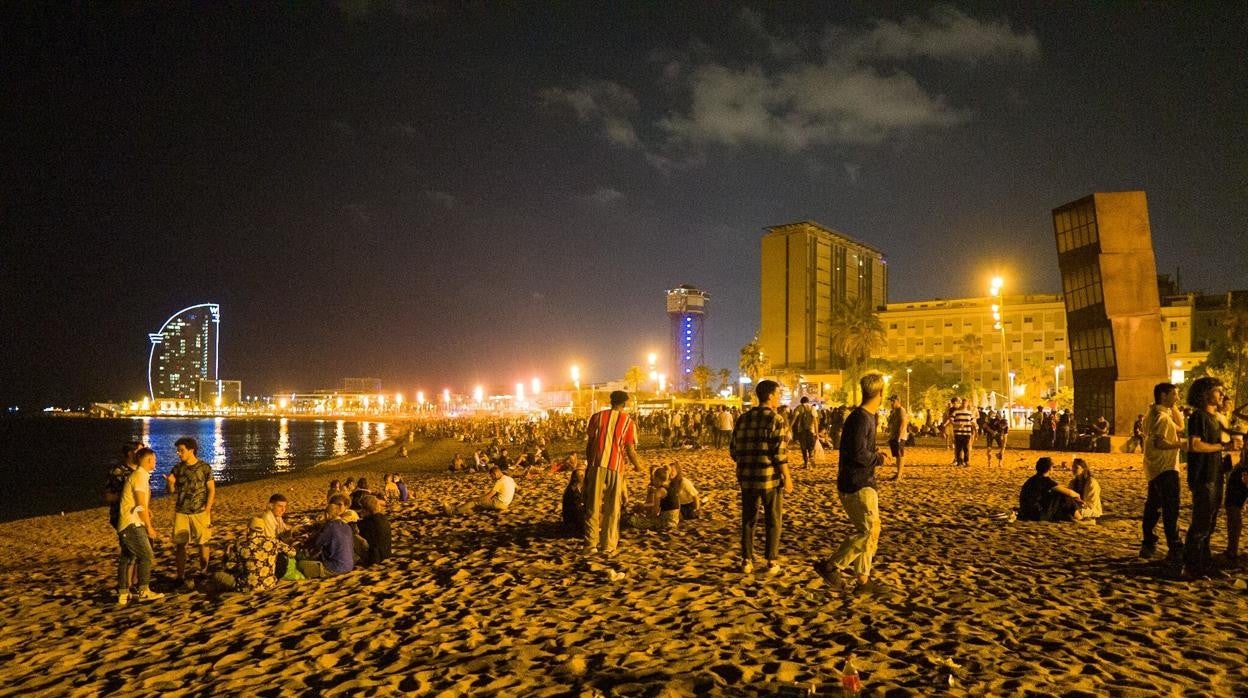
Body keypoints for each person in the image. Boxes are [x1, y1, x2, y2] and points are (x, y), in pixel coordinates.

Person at [814, 373, 891, 593]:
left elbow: (858, 449)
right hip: (857, 483)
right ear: (880, 393)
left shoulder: (864, 416)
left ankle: (863, 581)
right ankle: (831, 566)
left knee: (870, 530)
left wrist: (875, 454)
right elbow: (858, 453)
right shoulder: (861, 418)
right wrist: (879, 459)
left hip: (858, 480)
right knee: (868, 532)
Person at [731, 380, 792, 576]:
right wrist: (787, 477)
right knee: (773, 519)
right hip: (769, 478)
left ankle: (746, 560)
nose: (779, 397)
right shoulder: (776, 419)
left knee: (748, 519)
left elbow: (733, 449)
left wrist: (747, 460)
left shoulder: (743, 418)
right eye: (778, 394)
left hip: (747, 477)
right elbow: (779, 453)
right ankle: (771, 561)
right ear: (770, 396)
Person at [1182, 377, 1237, 579]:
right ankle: (1190, 566)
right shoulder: (1199, 417)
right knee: (1201, 522)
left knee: (1211, 522)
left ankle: (1204, 563)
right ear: (1205, 394)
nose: (1221, 394)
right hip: (1203, 476)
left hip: (1215, 474)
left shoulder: (1215, 418)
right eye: (1217, 390)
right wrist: (1223, 447)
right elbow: (1194, 445)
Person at [583, 390, 645, 557]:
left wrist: (590, 464)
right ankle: (608, 545)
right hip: (616, 467)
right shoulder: (628, 422)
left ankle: (590, 544)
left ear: (611, 401)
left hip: (597, 464)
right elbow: (630, 450)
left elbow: (589, 445)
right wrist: (639, 466)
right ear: (624, 404)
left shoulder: (596, 417)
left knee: (593, 506)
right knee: (612, 508)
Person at [1140, 382, 1185, 561]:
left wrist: (1173, 407)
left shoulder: (1151, 414)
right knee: (1170, 509)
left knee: (1152, 506)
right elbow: (1160, 442)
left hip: (1153, 468)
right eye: (1174, 394)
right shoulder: (1162, 417)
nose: (1178, 398)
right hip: (1166, 467)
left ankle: (1148, 544)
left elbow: (1179, 426)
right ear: (1163, 395)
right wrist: (1180, 444)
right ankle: (1174, 547)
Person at [116, 447, 166, 606]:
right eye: (154, 459)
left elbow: (138, 504)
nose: (155, 462)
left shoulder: (138, 476)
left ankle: (123, 593)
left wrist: (145, 510)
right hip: (132, 523)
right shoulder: (139, 477)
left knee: (128, 557)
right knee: (146, 555)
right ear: (149, 460)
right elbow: (139, 504)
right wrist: (149, 526)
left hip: (128, 521)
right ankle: (144, 590)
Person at [167, 437, 215, 586]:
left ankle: (204, 571)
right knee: (181, 544)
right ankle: (180, 576)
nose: (179, 453)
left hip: (200, 511)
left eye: (181, 450)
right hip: (182, 511)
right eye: (178, 451)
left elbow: (211, 489)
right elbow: (171, 491)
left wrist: (207, 508)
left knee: (203, 542)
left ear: (191, 450)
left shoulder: (205, 467)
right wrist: (170, 483)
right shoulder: (177, 468)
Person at [105, 441, 142, 590]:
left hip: (139, 516)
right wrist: (128, 496)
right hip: (122, 516)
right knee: (129, 552)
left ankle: (135, 581)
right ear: (130, 453)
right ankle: (126, 585)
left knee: (140, 551)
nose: (143, 453)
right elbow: (108, 496)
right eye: (140, 450)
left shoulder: (141, 471)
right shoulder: (118, 471)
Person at [232, 516, 296, 593]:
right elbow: (293, 552)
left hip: (245, 587)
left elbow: (230, 565)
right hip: (269, 585)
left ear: (248, 529)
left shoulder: (239, 544)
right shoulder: (273, 542)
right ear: (263, 530)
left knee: (218, 575)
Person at [299, 494, 355, 578]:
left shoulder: (329, 526)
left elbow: (317, 544)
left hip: (335, 568)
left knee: (301, 564)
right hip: (350, 565)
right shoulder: (347, 526)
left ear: (327, 515)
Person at [1017, 457, 1083, 522]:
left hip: (1026, 512)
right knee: (1063, 496)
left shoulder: (1032, 479)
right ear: (1049, 469)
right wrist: (1078, 496)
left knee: (1055, 497)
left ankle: (1070, 517)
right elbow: (1068, 492)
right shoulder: (1045, 480)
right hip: (1036, 514)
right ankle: (1080, 518)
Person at [445, 465, 516, 514]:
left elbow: (489, 496)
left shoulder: (500, 481)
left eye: (492, 476)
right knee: (481, 504)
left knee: (475, 502)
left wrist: (476, 499)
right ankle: (466, 510)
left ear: (495, 473)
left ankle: (452, 511)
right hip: (506, 504)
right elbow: (514, 488)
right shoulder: (510, 479)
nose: (492, 478)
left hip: (499, 503)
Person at [357, 495, 391, 566]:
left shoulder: (369, 522)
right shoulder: (383, 518)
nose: (361, 511)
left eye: (362, 508)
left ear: (366, 509)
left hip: (375, 558)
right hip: (386, 554)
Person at [885, 395, 908, 480]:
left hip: (900, 437)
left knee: (900, 455)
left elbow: (903, 423)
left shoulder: (901, 410)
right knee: (897, 455)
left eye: (893, 401)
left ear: (898, 401)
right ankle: (898, 473)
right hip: (895, 436)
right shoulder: (894, 411)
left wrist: (899, 437)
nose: (891, 403)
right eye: (891, 401)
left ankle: (899, 474)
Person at [949, 398, 976, 467]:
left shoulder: (970, 413)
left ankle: (966, 461)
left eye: (965, 403)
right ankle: (959, 461)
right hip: (958, 432)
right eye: (963, 403)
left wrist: (974, 425)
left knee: (966, 448)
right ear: (961, 404)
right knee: (958, 448)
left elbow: (973, 421)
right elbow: (951, 420)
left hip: (967, 432)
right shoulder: (956, 412)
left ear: (967, 404)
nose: (964, 404)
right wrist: (957, 424)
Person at [561, 466, 587, 536]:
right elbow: (577, 509)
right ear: (575, 478)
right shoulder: (572, 491)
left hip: (574, 518)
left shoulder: (578, 488)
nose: (584, 477)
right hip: (573, 522)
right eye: (581, 475)